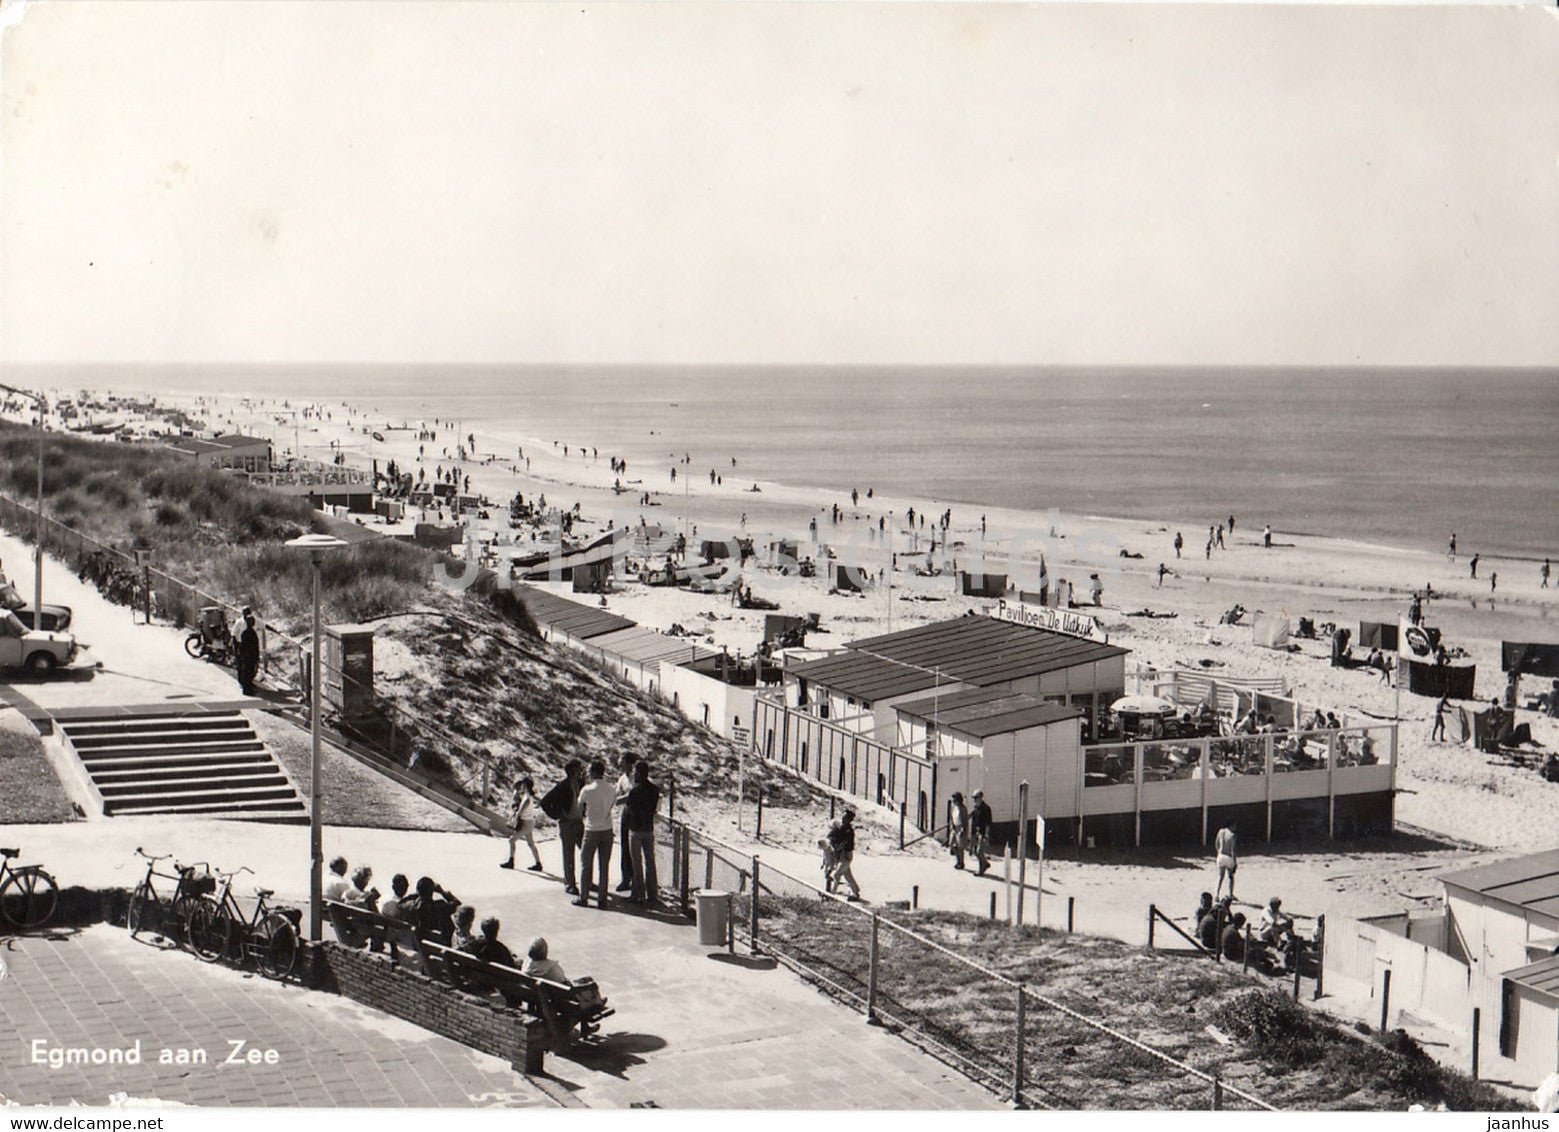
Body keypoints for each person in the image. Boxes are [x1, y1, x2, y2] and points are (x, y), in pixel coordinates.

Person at [575, 759, 615, 909]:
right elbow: (612, 805)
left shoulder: (587, 790)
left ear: (595, 772)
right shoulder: (612, 788)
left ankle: (583, 897)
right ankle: (602, 899)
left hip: (592, 830)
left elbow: (580, 809)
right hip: (607, 829)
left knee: (586, 864)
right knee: (604, 866)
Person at [542, 760, 586, 895]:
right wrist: (558, 815)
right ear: (572, 771)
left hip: (579, 823)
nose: (581, 771)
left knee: (586, 853)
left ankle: (587, 882)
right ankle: (570, 884)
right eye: (578, 769)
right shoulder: (562, 786)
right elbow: (544, 802)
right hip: (567, 824)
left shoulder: (581, 784)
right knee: (569, 856)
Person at [624, 761, 661, 904]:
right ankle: (653, 894)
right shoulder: (654, 790)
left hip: (636, 830)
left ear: (639, 773)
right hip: (648, 829)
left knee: (637, 863)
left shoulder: (634, 791)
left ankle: (638, 894)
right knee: (650, 862)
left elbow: (629, 809)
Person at [501, 776, 544, 872]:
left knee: (512, 840)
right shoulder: (529, 796)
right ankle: (538, 863)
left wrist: (514, 818)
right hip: (529, 822)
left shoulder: (526, 798)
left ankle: (511, 861)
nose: (521, 787)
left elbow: (520, 811)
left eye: (523, 785)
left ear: (525, 786)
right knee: (531, 844)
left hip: (526, 823)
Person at [614, 754, 639, 893]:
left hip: (638, 814)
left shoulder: (638, 777)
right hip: (626, 813)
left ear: (631, 764)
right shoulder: (622, 779)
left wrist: (629, 797)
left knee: (635, 847)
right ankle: (626, 878)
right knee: (624, 847)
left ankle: (637, 881)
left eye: (622, 763)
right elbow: (617, 798)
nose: (620, 766)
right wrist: (628, 797)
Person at [828, 809, 862, 901]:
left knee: (837, 875)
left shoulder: (848, 830)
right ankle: (855, 892)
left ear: (849, 819)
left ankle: (832, 893)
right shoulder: (844, 828)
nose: (843, 819)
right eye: (843, 817)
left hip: (846, 855)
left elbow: (843, 842)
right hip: (843, 854)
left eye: (845, 817)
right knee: (847, 875)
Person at [235, 612, 260, 695]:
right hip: (249, 656)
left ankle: (248, 688)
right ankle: (247, 690)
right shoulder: (249, 633)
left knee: (249, 672)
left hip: (248, 656)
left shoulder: (247, 633)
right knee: (248, 672)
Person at [969, 790, 993, 876]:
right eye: (974, 798)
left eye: (976, 798)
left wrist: (987, 834)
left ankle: (981, 869)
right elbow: (973, 821)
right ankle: (985, 864)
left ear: (980, 798)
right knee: (976, 851)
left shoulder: (986, 808)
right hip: (976, 832)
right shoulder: (976, 808)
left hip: (983, 832)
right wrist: (972, 833)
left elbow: (988, 822)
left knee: (979, 851)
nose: (975, 800)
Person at [947, 792, 969, 871]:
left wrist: (963, 829)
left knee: (960, 846)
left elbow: (965, 820)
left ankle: (961, 863)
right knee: (952, 844)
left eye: (954, 799)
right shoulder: (953, 807)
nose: (953, 801)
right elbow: (951, 817)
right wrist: (951, 825)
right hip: (954, 827)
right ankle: (958, 860)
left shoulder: (963, 808)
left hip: (961, 827)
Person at [1214, 827, 1238, 900]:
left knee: (1220, 876)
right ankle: (1230, 894)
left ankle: (1217, 894)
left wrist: (1219, 853)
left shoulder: (1221, 831)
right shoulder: (1232, 835)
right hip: (1228, 857)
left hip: (1221, 856)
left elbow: (1216, 844)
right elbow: (1233, 850)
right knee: (1230, 877)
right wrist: (1235, 862)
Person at [818, 820, 840, 890]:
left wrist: (835, 864)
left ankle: (829, 886)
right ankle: (828, 886)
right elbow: (824, 857)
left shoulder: (829, 849)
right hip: (827, 863)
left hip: (830, 863)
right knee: (826, 874)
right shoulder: (825, 850)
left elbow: (833, 857)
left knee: (827, 874)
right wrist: (823, 864)